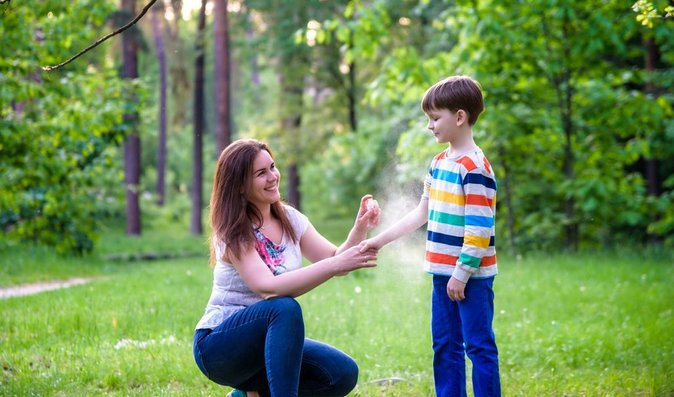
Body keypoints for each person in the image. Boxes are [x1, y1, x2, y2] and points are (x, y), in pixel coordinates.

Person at [193, 138, 381, 397]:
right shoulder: (234, 231)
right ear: (239, 187)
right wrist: (335, 264)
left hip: (267, 344)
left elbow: (334, 257)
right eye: (261, 173)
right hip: (220, 348)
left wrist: (359, 228)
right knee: (283, 308)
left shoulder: (291, 219)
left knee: (341, 373)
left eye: (272, 167)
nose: (273, 177)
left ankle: (245, 396)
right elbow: (268, 288)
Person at [359, 76, 500, 397]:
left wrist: (461, 274)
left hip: (471, 277)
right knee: (445, 345)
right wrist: (377, 241)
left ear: (460, 117)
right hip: (442, 273)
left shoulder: (475, 168)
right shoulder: (438, 164)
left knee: (478, 346)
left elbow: (479, 229)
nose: (429, 126)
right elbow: (421, 213)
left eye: (435, 118)